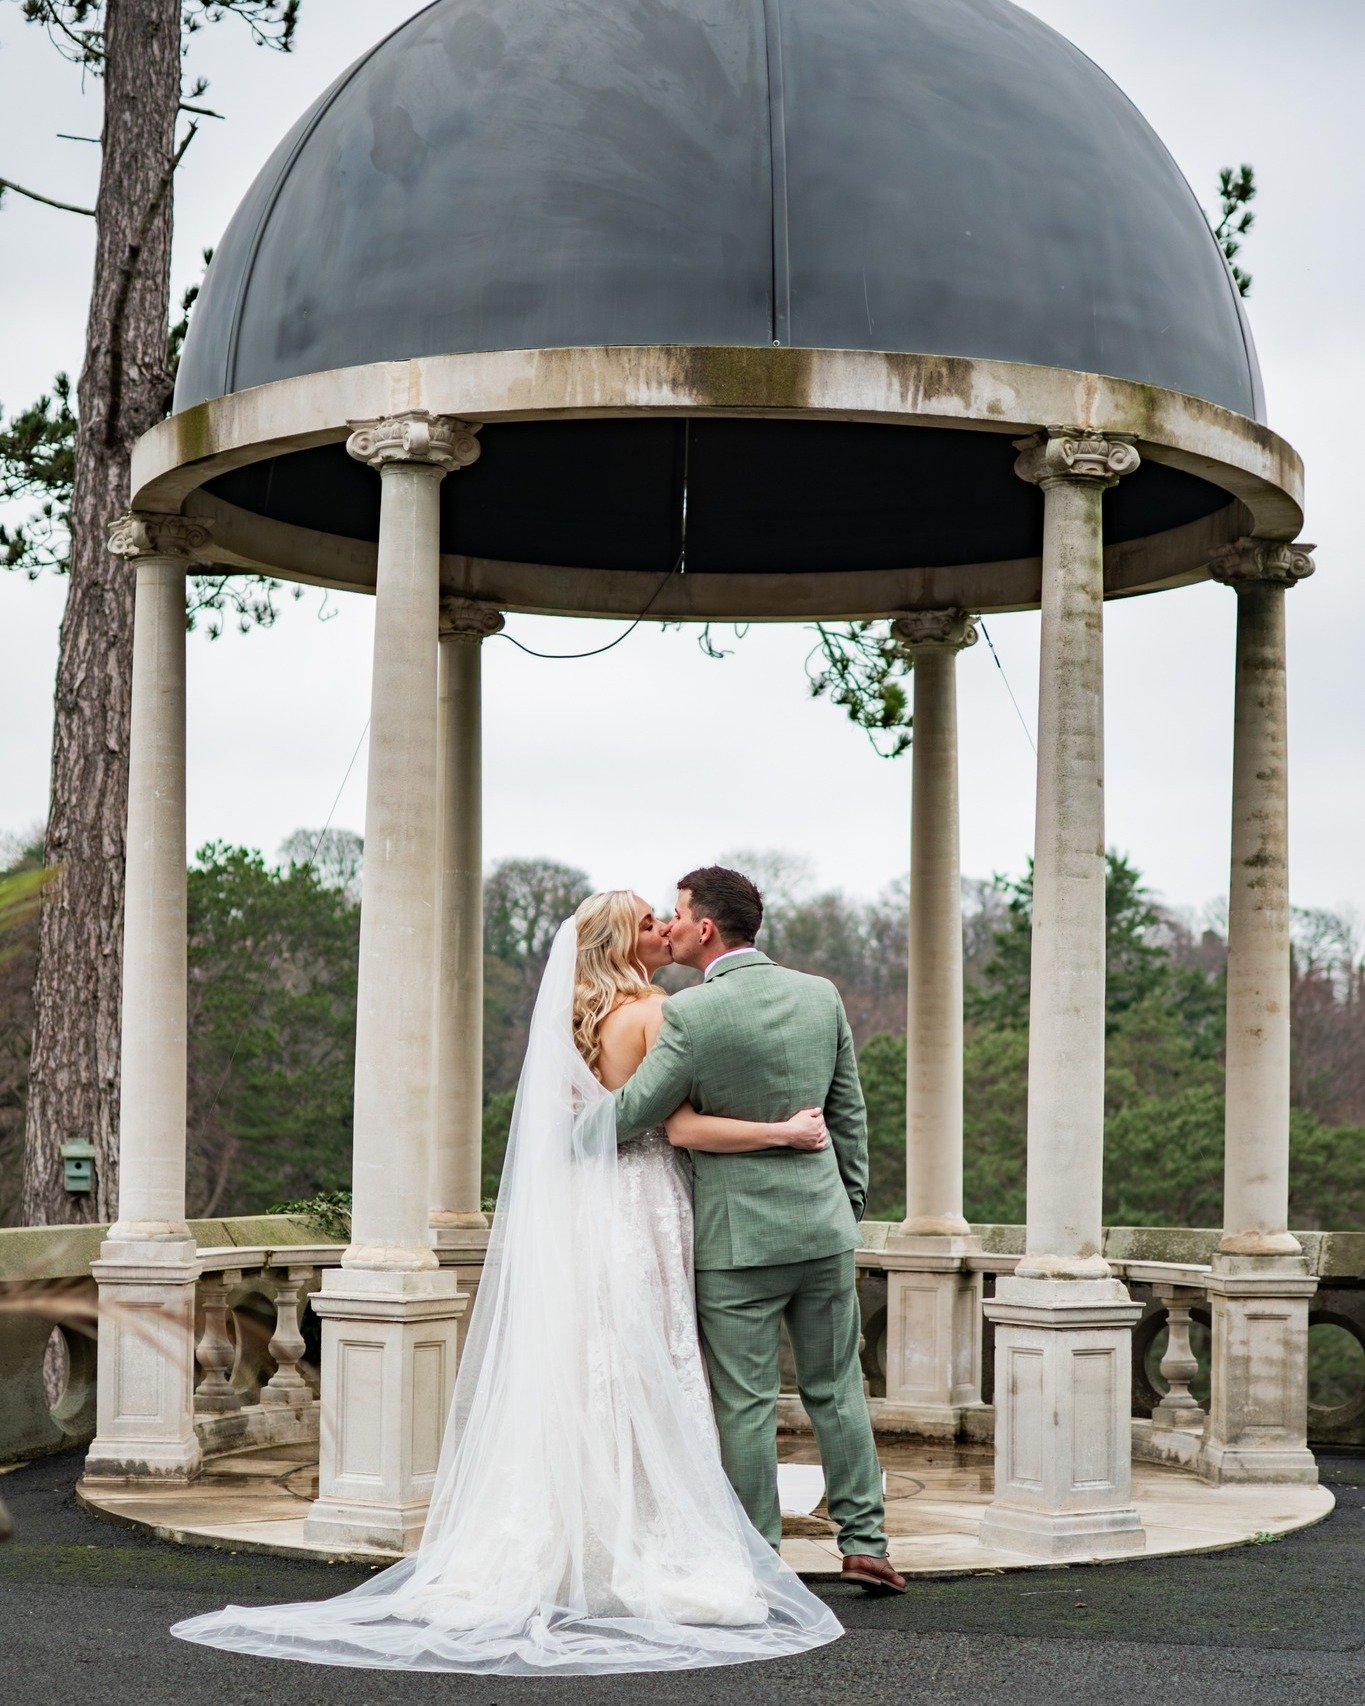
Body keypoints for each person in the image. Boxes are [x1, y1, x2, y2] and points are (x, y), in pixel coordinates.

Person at [170, 889, 843, 1675]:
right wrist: (782, 1130)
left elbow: (565, 1129)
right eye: (650, 922)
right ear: (628, 943)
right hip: (643, 1201)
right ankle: (642, 1537)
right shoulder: (657, 1014)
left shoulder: (570, 1021)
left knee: (583, 1357)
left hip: (585, 1208)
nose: (664, 927)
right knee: (648, 1357)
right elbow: (675, 1126)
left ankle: (564, 1534)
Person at [615, 866, 907, 1595]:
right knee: (837, 1389)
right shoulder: (820, 996)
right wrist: (845, 1205)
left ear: (705, 928)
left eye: (677, 914)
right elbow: (849, 1118)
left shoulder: (690, 1013)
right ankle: (865, 1542)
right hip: (821, 1230)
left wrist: (553, 1128)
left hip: (736, 1244)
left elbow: (633, 1114)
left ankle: (757, 1561)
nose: (670, 925)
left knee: (743, 1404)